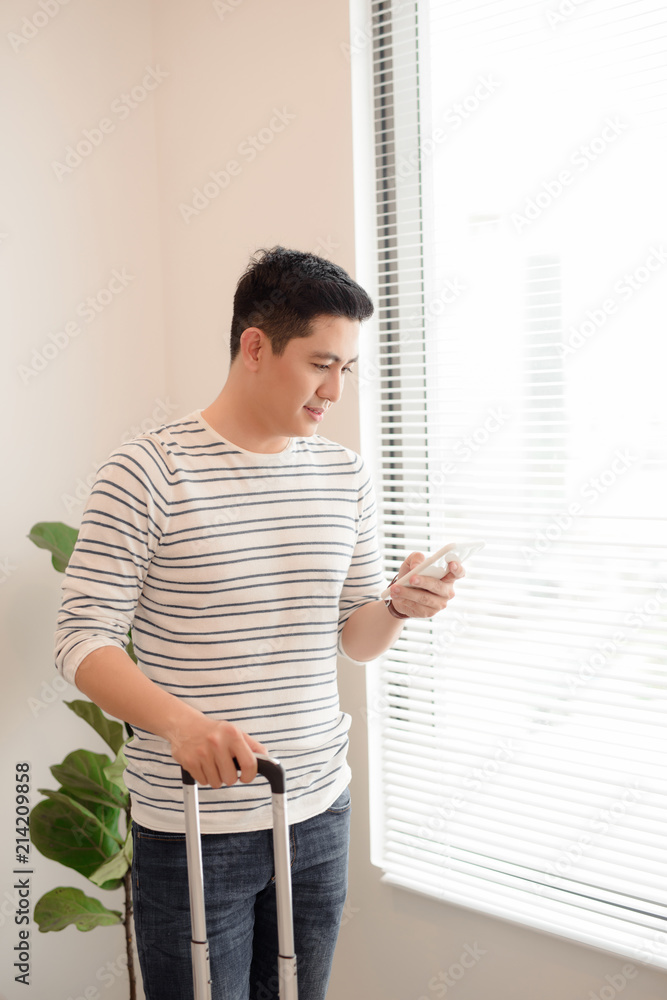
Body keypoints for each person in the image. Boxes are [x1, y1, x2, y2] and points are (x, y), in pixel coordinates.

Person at [54, 246, 464, 1000]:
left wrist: (399, 607)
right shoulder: (148, 471)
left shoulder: (346, 475)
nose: (335, 390)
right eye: (320, 364)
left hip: (317, 809)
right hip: (194, 827)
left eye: (346, 368)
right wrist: (181, 724)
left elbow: (355, 636)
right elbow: (81, 638)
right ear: (254, 346)